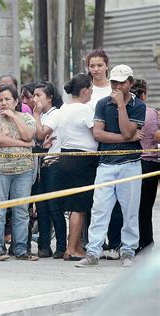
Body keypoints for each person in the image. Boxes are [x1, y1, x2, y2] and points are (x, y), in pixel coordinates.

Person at [76, 65, 146, 268]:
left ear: (130, 83)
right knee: (99, 209)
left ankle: (128, 251)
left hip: (131, 164)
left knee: (130, 210)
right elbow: (98, 134)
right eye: (114, 82)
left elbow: (126, 130)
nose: (117, 86)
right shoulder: (102, 103)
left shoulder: (138, 106)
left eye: (122, 82)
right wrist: (128, 137)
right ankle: (93, 252)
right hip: (106, 164)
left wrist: (122, 107)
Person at [0, 85, 38, 261]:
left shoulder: (27, 118)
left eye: (8, 99)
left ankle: (21, 249)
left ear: (16, 101)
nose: (4, 103)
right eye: (0, 100)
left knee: (21, 211)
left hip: (23, 171)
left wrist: (14, 118)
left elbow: (28, 135)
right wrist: (23, 144)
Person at [85, 48, 122, 260]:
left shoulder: (114, 88)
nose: (96, 69)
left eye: (99, 65)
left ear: (107, 65)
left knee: (115, 200)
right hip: (87, 149)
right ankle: (94, 244)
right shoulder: (84, 88)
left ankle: (116, 243)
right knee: (94, 202)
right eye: (92, 66)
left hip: (110, 147)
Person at [57, 74, 97, 261]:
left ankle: (77, 246)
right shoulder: (84, 109)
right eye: (90, 89)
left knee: (74, 205)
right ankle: (71, 248)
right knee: (79, 206)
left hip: (65, 156)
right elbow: (96, 133)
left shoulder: (64, 108)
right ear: (84, 90)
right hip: (81, 159)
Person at [32, 81, 66, 259]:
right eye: (34, 96)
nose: (35, 99)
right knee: (42, 207)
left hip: (54, 163)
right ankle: (44, 246)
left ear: (50, 97)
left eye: (39, 96)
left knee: (54, 206)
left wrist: (36, 114)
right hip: (39, 164)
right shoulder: (40, 115)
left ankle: (61, 245)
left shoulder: (55, 114)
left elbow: (40, 133)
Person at [130, 79, 159, 253]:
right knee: (145, 207)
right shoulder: (152, 113)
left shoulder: (128, 112)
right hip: (151, 164)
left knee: (131, 206)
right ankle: (147, 243)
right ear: (144, 94)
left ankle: (129, 243)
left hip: (131, 161)